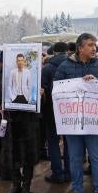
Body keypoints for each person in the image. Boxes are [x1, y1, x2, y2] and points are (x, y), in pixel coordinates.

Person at [54, 33, 98, 193]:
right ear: (80, 48)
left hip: (94, 121)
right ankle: (77, 189)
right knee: (74, 157)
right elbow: (56, 89)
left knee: (96, 157)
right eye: (89, 45)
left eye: (95, 44)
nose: (94, 48)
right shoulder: (65, 66)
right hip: (73, 121)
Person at [0, 76, 41, 193]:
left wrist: (41, 96)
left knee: (28, 157)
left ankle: (26, 187)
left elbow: (40, 105)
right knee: (12, 156)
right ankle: (16, 185)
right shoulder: (6, 80)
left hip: (28, 125)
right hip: (11, 124)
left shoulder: (33, 80)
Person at [42, 42, 70, 184]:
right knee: (69, 141)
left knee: (53, 141)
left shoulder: (46, 68)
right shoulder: (72, 66)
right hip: (69, 110)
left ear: (54, 53)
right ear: (66, 52)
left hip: (51, 110)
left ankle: (57, 173)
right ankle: (69, 172)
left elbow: (43, 91)